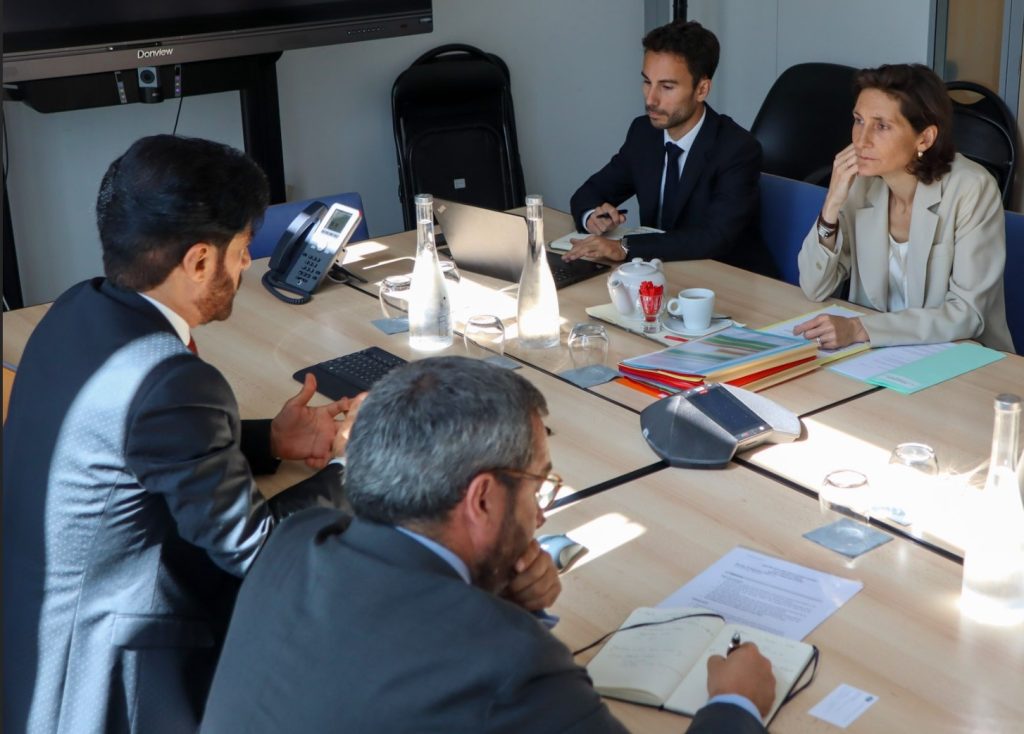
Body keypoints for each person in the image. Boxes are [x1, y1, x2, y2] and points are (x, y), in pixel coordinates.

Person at [201, 357, 776, 734]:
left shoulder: (299, 539)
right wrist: (734, 705)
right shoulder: (511, 662)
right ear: (480, 499)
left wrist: (495, 590)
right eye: (537, 484)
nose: (543, 510)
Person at [3, 135, 362, 734]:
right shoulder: (172, 380)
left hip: (31, 647)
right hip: (109, 683)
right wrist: (357, 467)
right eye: (244, 249)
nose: (248, 265)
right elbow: (260, 552)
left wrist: (268, 441)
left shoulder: (74, 310)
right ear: (199, 261)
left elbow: (137, 443)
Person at [794, 63, 1013, 351]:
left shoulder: (972, 189)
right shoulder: (863, 181)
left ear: (925, 138)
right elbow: (815, 286)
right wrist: (832, 203)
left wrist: (862, 329)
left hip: (962, 359)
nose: (861, 140)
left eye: (881, 126)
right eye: (859, 120)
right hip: (878, 356)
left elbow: (967, 314)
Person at [564, 20, 775, 278]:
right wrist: (591, 217)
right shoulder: (644, 133)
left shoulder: (737, 149)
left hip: (726, 281)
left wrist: (624, 247)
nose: (650, 99)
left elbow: (715, 237)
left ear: (701, 89)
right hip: (660, 276)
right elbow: (590, 192)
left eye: (666, 87)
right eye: (647, 82)